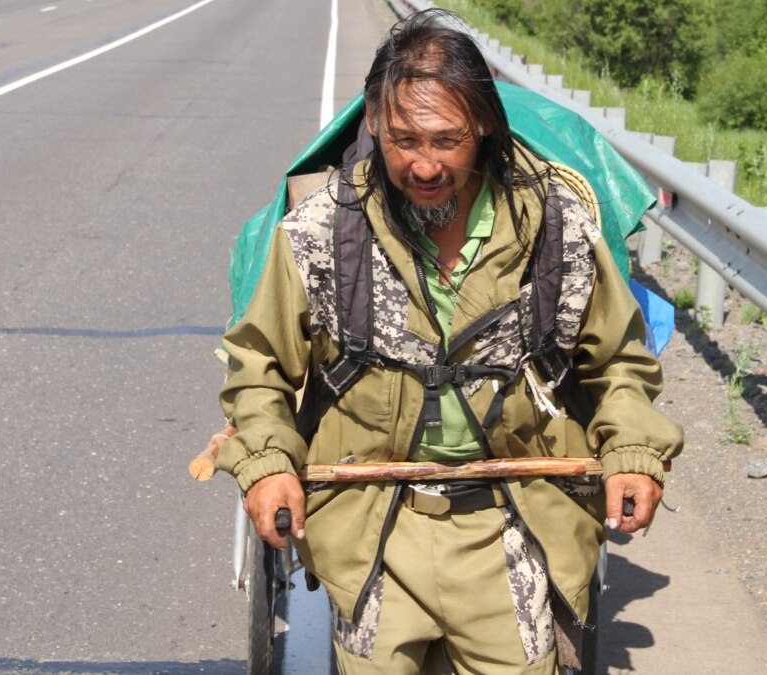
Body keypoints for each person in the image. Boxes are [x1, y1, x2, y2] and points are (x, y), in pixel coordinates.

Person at [216, 8, 684, 673]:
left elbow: (618, 363)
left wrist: (634, 449)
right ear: (374, 123)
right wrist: (265, 464)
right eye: (404, 139)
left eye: (447, 140)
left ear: (485, 126)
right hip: (369, 526)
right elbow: (258, 368)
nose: (424, 164)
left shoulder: (557, 227)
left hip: (512, 524)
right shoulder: (322, 232)